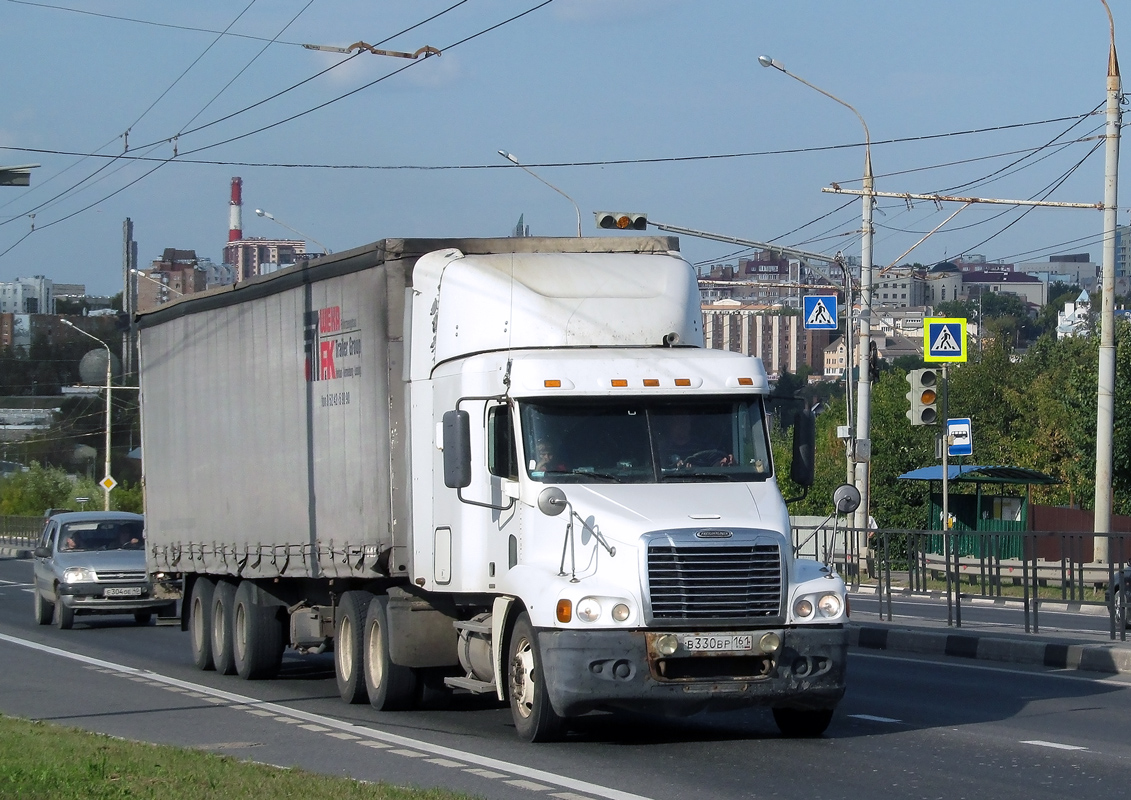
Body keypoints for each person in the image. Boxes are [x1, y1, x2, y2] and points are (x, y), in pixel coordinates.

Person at [657, 414, 734, 468]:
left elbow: (716, 464)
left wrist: (723, 462)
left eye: (685, 421)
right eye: (678, 421)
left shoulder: (702, 445)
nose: (683, 425)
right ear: (670, 424)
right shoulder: (662, 449)